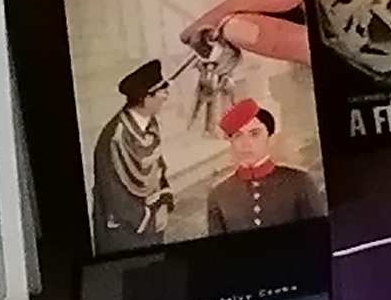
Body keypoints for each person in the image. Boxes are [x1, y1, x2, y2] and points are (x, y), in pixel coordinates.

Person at [89, 59, 177, 251]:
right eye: (162, 91)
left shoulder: (149, 125)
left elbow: (158, 170)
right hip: (125, 232)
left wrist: (164, 204)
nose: (166, 96)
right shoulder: (115, 138)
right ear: (145, 98)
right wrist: (150, 219)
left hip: (152, 226)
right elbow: (114, 195)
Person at [198, 97, 322, 232]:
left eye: (254, 134)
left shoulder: (300, 182)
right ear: (231, 143)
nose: (246, 144)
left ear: (269, 137)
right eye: (238, 136)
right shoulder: (218, 195)